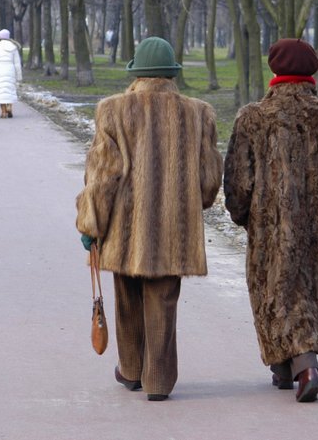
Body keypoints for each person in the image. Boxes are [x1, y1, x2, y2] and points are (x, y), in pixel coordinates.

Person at [75, 37, 223, 402]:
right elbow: (208, 179)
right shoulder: (198, 112)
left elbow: (102, 175)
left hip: (125, 226)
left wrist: (90, 225)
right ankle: (158, 380)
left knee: (127, 295)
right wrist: (193, 203)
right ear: (172, 73)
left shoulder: (112, 110)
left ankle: (129, 369)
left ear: (135, 73)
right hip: (175, 227)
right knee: (164, 299)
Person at [223, 38, 318, 403]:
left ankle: (303, 366)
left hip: (271, 226)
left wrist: (244, 215)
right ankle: (286, 368)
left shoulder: (253, 117)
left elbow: (239, 180)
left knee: (276, 292)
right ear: (312, 71)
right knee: (312, 289)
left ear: (275, 70)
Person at [0, 29, 23, 118]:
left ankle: (3, 112)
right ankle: (9, 107)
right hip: (10, 69)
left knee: (1, 91)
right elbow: (17, 63)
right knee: (9, 90)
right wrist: (19, 76)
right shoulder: (13, 47)